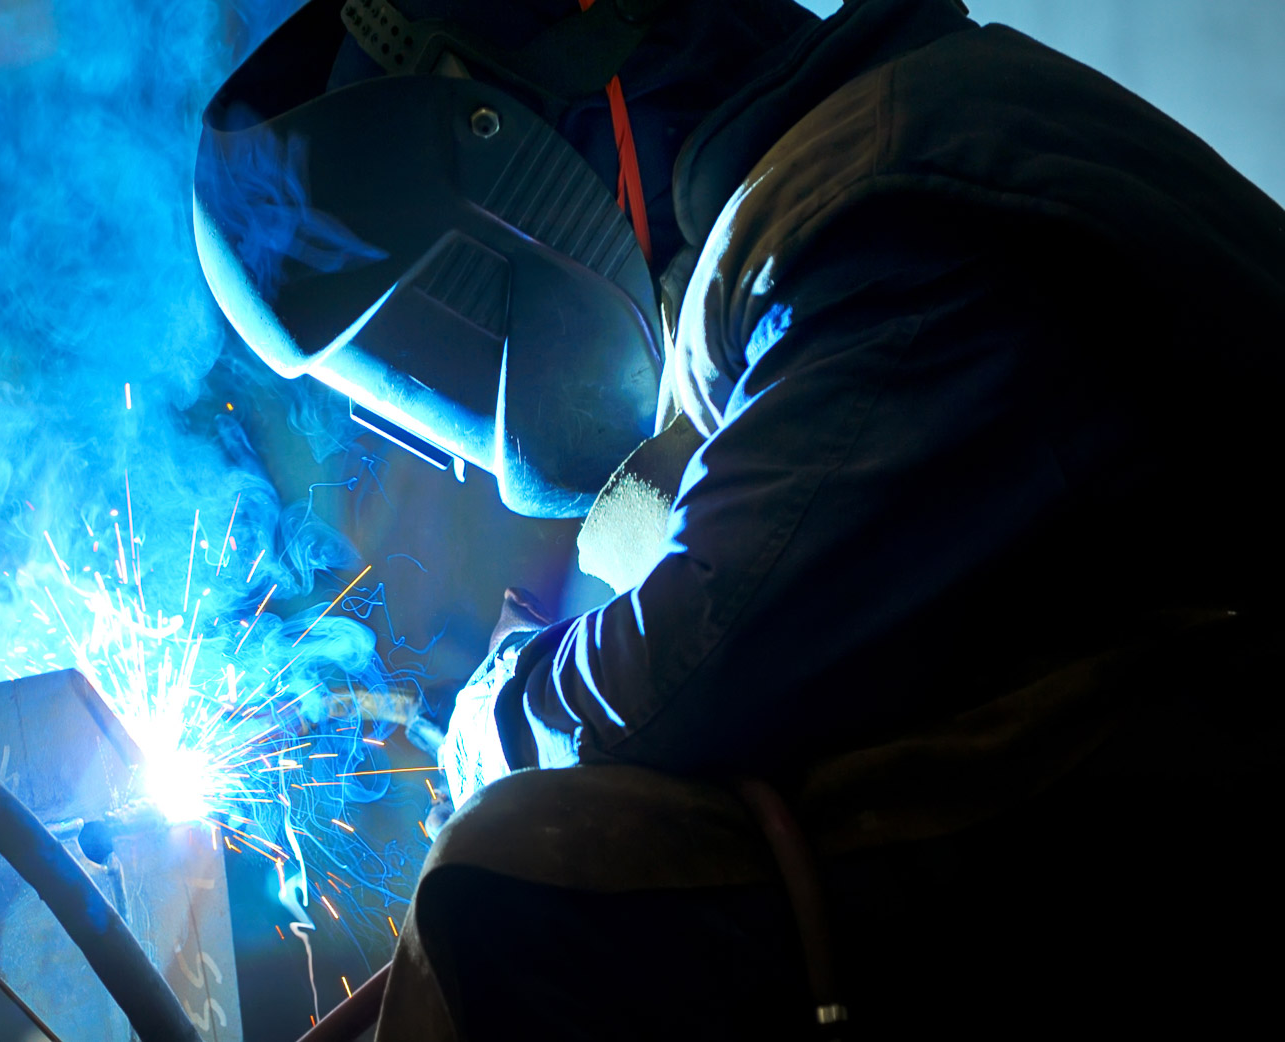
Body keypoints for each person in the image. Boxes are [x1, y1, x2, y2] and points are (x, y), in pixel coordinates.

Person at [196, 0, 1285, 1036]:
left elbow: (678, 677)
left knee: (519, 881)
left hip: (1209, 826)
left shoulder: (884, 208)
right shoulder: (875, 168)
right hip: (1170, 790)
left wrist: (488, 722)